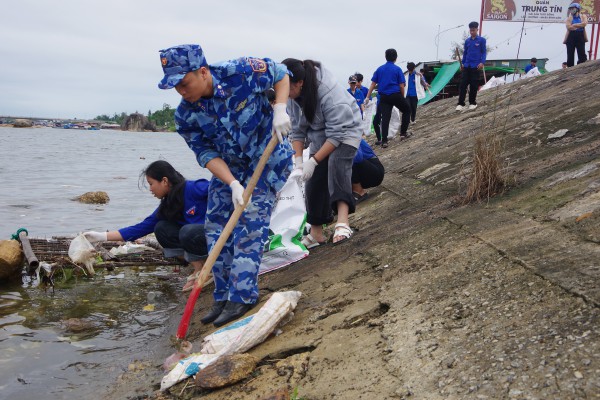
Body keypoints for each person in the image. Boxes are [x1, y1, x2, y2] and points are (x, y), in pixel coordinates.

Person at [157, 44, 294, 327]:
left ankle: (242, 296)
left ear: (203, 71)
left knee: (248, 226)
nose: (182, 91)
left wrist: (280, 109)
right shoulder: (185, 116)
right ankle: (222, 295)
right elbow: (206, 154)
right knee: (216, 227)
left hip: (266, 160)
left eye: (184, 83)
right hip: (229, 170)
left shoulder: (239, 72)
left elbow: (281, 74)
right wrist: (231, 183)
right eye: (175, 87)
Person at [83, 160, 209, 291]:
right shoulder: (168, 205)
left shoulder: (194, 188)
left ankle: (207, 270)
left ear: (164, 181)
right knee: (161, 228)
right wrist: (99, 236)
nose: (150, 189)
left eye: (151, 184)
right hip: (200, 241)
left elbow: (222, 188)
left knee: (187, 231)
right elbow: (139, 229)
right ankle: (198, 266)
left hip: (217, 234)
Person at [282, 58, 362, 248]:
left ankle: (343, 222)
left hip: (345, 131)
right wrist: (299, 161)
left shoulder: (327, 90)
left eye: (287, 88)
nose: (284, 94)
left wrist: (314, 160)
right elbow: (297, 131)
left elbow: (336, 134)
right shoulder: (292, 97)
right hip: (320, 136)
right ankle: (316, 232)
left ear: (300, 82)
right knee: (313, 182)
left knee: (337, 165)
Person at [365, 48, 411, 146]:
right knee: (407, 110)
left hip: (384, 97)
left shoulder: (380, 69)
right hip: (395, 95)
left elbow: (373, 84)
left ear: (385, 57)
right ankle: (403, 133)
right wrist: (402, 98)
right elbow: (401, 86)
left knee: (385, 117)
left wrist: (368, 97)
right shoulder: (397, 69)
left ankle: (384, 141)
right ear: (396, 58)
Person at [456, 21, 487, 111]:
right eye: (470, 30)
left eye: (473, 30)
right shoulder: (467, 41)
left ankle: (472, 103)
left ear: (477, 29)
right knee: (462, 85)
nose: (472, 32)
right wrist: (463, 63)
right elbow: (465, 53)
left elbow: (484, 52)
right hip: (467, 66)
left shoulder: (482, 40)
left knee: (473, 85)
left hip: (476, 66)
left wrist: (482, 62)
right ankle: (461, 104)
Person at [352, 138, 384, 203]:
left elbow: (357, 158)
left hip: (374, 172)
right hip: (362, 172)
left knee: (345, 157)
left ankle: (358, 192)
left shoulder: (346, 133)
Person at [564, 3, 588, 67]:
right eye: (570, 9)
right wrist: (579, 25)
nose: (571, 10)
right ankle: (570, 67)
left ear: (577, 9)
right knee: (570, 53)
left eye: (573, 9)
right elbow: (568, 27)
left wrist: (574, 25)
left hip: (580, 35)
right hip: (571, 36)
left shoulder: (583, 16)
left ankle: (581, 65)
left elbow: (584, 23)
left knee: (581, 52)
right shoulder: (569, 18)